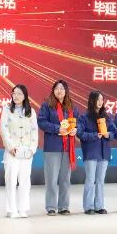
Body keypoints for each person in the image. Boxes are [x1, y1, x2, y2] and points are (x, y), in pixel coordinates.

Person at [37, 79, 81, 215]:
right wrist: (58, 128)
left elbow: (79, 123)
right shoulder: (47, 105)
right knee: (51, 179)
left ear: (66, 91)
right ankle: (51, 206)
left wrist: (76, 130)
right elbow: (42, 122)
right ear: (53, 91)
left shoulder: (72, 107)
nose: (59, 91)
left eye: (62, 88)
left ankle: (64, 206)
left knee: (65, 179)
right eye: (56, 88)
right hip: (52, 147)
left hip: (68, 148)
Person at [1, 84, 39, 218]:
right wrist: (10, 147)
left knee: (25, 181)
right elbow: (4, 129)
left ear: (25, 96)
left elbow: (34, 131)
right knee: (11, 180)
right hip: (13, 150)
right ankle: (11, 209)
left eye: (19, 94)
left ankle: (23, 208)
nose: (16, 96)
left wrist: (32, 149)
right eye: (14, 93)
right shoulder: (7, 110)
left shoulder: (31, 112)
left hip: (27, 150)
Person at [78, 91, 111, 215]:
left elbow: (114, 131)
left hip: (104, 153)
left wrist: (108, 134)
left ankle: (99, 206)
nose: (100, 102)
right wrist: (94, 135)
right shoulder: (84, 117)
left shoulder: (106, 117)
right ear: (92, 101)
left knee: (100, 181)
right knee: (90, 180)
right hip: (91, 153)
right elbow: (80, 133)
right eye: (98, 99)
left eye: (102, 99)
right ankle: (88, 207)